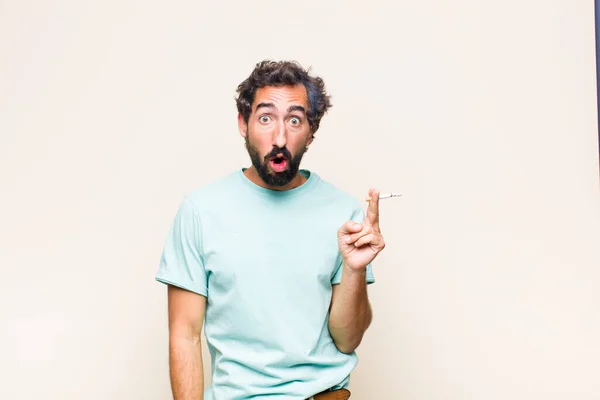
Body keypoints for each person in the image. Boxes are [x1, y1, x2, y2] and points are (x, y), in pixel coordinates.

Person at [155, 60, 386, 400]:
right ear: (243, 124)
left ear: (311, 131)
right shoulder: (200, 211)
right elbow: (184, 335)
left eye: (295, 120)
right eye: (265, 118)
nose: (280, 137)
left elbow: (347, 339)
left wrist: (355, 268)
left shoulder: (345, 213)